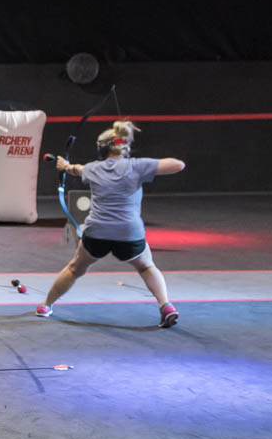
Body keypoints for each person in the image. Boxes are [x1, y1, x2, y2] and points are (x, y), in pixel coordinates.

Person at [36, 121, 184, 326]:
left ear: (102, 148)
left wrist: (64, 166)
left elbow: (75, 169)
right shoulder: (137, 166)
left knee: (74, 269)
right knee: (146, 266)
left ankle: (46, 305)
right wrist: (149, 164)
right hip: (128, 234)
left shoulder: (92, 169)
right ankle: (166, 306)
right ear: (126, 147)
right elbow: (178, 165)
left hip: (97, 233)